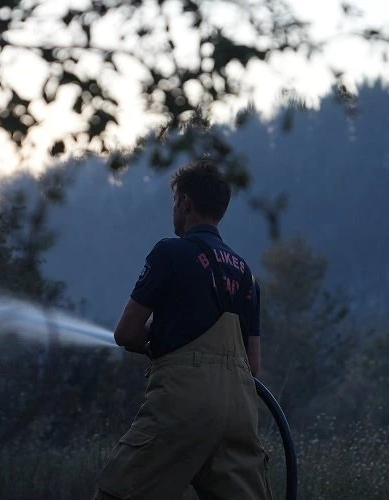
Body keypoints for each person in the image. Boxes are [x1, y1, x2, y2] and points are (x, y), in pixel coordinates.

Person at [93, 159, 273, 500]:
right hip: (239, 413)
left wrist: (159, 337)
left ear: (185, 203)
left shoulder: (170, 253)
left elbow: (126, 333)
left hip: (183, 406)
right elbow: (252, 365)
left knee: (119, 493)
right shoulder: (247, 275)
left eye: (175, 202)